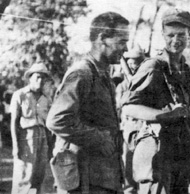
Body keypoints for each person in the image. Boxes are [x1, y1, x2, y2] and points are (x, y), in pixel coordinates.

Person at [46, 12, 129, 194]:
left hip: (101, 177)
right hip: (83, 180)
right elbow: (57, 120)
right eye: (121, 42)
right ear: (102, 39)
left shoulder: (103, 75)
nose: (126, 49)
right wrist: (98, 138)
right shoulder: (82, 74)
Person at [122, 8, 190, 194]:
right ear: (162, 35)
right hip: (157, 151)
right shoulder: (153, 66)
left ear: (189, 35)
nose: (176, 40)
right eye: (170, 35)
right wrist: (164, 115)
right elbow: (129, 107)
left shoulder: (185, 70)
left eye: (181, 35)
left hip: (180, 153)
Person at [10, 62, 51, 194]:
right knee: (24, 176)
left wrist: (50, 145)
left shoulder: (46, 99)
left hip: (42, 137)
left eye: (43, 78)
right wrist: (16, 146)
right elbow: (14, 122)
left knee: (39, 177)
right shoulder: (20, 95)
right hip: (26, 138)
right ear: (30, 78)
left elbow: (49, 124)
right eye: (37, 77)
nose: (40, 80)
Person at [115, 47, 146, 194]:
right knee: (128, 167)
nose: (133, 66)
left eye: (137, 63)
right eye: (131, 63)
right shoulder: (122, 86)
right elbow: (118, 108)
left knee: (144, 169)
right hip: (127, 131)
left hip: (144, 131)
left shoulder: (147, 83)